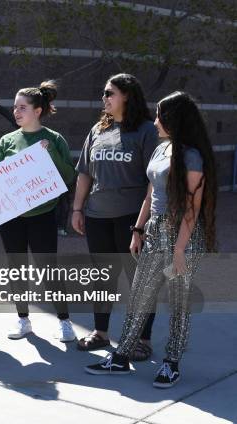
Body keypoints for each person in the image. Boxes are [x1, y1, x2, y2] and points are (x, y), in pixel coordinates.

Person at [85, 91, 217, 388]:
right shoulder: (161, 149)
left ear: (174, 120)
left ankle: (171, 364)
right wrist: (138, 229)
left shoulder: (192, 157)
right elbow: (150, 193)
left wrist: (180, 249)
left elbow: (192, 209)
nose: (155, 121)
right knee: (140, 296)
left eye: (160, 116)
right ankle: (120, 358)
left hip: (182, 237)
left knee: (177, 301)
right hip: (154, 232)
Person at [72, 73, 159, 360]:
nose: (105, 98)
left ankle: (142, 340)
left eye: (110, 93)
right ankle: (101, 333)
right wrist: (77, 209)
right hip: (97, 216)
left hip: (132, 218)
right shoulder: (98, 129)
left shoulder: (146, 131)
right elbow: (85, 172)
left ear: (127, 96)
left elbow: (153, 180)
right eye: (104, 93)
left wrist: (141, 224)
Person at [0, 81, 78, 341]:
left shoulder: (53, 139)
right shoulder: (7, 141)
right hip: (11, 218)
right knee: (16, 268)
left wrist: (50, 154)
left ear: (38, 111)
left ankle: (64, 321)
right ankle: (23, 319)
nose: (16, 112)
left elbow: (69, 177)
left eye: (22, 107)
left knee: (47, 269)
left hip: (43, 215)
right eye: (15, 107)